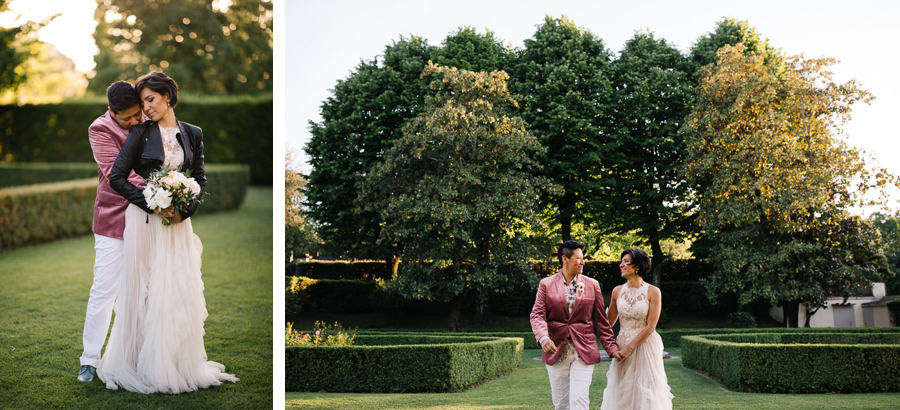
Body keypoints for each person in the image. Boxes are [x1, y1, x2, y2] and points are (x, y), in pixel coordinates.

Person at [97, 71, 238, 393]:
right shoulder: (140, 133)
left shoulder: (193, 133)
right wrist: (152, 204)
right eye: (143, 101)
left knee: (175, 290)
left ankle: (175, 363)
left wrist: (184, 208)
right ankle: (136, 364)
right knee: (144, 289)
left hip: (179, 225)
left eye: (150, 99)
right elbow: (116, 178)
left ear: (168, 97)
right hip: (145, 222)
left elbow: (199, 178)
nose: (145, 108)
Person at [78, 81, 145, 383]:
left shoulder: (146, 117)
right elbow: (115, 171)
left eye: (137, 115)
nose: (135, 121)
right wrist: (159, 191)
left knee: (144, 291)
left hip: (147, 219)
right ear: (111, 111)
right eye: (128, 118)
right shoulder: (99, 129)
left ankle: (138, 357)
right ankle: (89, 360)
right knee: (104, 291)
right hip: (112, 217)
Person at [531, 240, 621, 410]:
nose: (583, 262)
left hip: (584, 351)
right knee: (561, 404)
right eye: (579, 258)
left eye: (583, 258)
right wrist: (543, 337)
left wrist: (611, 347)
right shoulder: (546, 284)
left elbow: (602, 321)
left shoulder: (592, 285)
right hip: (556, 351)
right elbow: (537, 315)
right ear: (565, 259)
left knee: (579, 401)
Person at [600, 249, 673, 410]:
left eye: (626, 261)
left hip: (645, 346)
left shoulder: (653, 291)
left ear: (638, 266)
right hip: (622, 346)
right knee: (623, 392)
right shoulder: (617, 291)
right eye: (622, 261)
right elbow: (607, 324)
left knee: (645, 392)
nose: (621, 265)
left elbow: (651, 326)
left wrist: (629, 348)